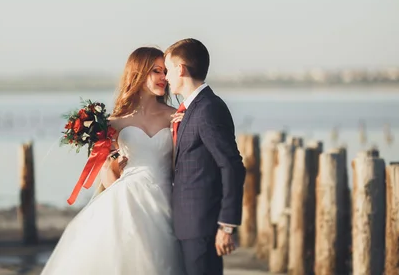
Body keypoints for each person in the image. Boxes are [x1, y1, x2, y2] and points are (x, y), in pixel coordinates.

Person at [40, 46, 186, 274]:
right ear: (139, 73)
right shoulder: (114, 123)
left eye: (165, 71)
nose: (164, 78)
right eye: (156, 71)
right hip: (126, 199)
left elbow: (182, 162)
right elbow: (106, 173)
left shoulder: (175, 116)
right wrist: (113, 166)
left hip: (165, 199)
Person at [164, 38, 246, 275]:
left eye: (168, 70)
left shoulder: (208, 108)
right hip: (188, 224)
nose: (166, 77)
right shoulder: (193, 110)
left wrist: (227, 225)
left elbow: (232, 166)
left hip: (202, 225)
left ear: (181, 69)